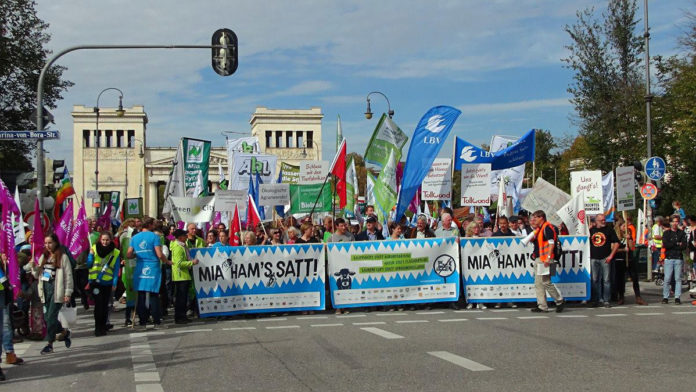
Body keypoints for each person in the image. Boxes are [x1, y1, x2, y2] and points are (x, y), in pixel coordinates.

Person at [127, 217, 172, 329]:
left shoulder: (134, 237)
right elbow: (159, 254)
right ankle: (156, 321)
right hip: (152, 267)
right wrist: (167, 261)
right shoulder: (154, 237)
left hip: (140, 266)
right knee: (154, 294)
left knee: (141, 295)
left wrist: (138, 254)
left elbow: (128, 254)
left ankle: (143, 322)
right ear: (151, 225)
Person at [33, 233, 74, 354]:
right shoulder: (43, 257)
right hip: (45, 291)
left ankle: (49, 344)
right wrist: (33, 267)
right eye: (45, 243)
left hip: (57, 291)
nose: (47, 245)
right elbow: (36, 275)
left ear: (55, 242)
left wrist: (68, 293)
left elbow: (68, 276)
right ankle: (64, 332)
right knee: (47, 318)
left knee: (51, 317)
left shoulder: (63, 257)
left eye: (50, 242)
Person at [530, 210, 565, 313]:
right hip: (541, 258)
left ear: (542, 217)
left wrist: (549, 258)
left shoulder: (547, 228)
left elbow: (551, 243)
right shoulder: (540, 229)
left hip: (546, 259)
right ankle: (542, 306)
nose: (534, 219)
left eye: (536, 217)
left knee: (546, 282)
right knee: (538, 283)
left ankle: (559, 300)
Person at [86, 231, 121, 336]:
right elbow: (88, 265)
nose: (105, 242)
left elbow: (116, 269)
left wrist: (114, 283)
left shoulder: (115, 252)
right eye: (103, 240)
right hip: (95, 282)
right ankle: (97, 327)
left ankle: (103, 327)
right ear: (100, 240)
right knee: (98, 305)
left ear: (110, 240)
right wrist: (91, 256)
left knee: (105, 306)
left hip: (107, 282)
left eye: (107, 240)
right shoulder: (94, 248)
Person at [589, 214, 619, 307]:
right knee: (594, 280)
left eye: (604, 220)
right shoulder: (591, 230)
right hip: (594, 258)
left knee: (606, 280)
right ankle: (596, 299)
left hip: (605, 258)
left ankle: (606, 300)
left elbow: (616, 243)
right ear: (596, 221)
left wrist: (611, 255)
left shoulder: (609, 230)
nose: (603, 221)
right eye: (601, 220)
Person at [171, 229, 200, 324]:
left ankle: (181, 316)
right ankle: (180, 317)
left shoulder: (182, 246)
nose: (186, 236)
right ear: (180, 237)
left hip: (183, 275)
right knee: (181, 298)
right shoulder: (178, 248)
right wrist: (192, 262)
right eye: (184, 235)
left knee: (182, 298)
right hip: (181, 276)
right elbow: (178, 263)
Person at [662, 215, 687, 304]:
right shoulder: (666, 233)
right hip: (668, 258)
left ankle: (677, 297)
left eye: (676, 221)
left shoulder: (682, 233)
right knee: (667, 278)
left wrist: (674, 244)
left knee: (678, 278)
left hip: (678, 258)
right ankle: (665, 297)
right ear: (670, 223)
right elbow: (666, 245)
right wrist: (677, 243)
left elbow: (684, 246)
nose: (675, 223)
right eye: (673, 222)